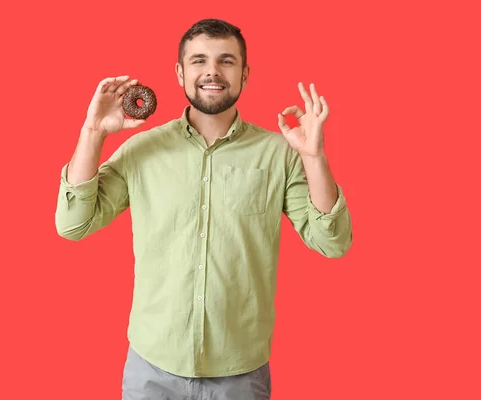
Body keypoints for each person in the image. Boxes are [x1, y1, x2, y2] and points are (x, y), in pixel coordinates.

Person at [55, 18, 352, 400]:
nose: (212, 71)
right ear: (180, 73)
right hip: (152, 369)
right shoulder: (142, 150)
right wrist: (93, 132)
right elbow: (73, 224)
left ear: (245, 74)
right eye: (198, 61)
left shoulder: (279, 154)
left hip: (240, 372)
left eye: (226, 61)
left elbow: (333, 243)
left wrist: (314, 157)